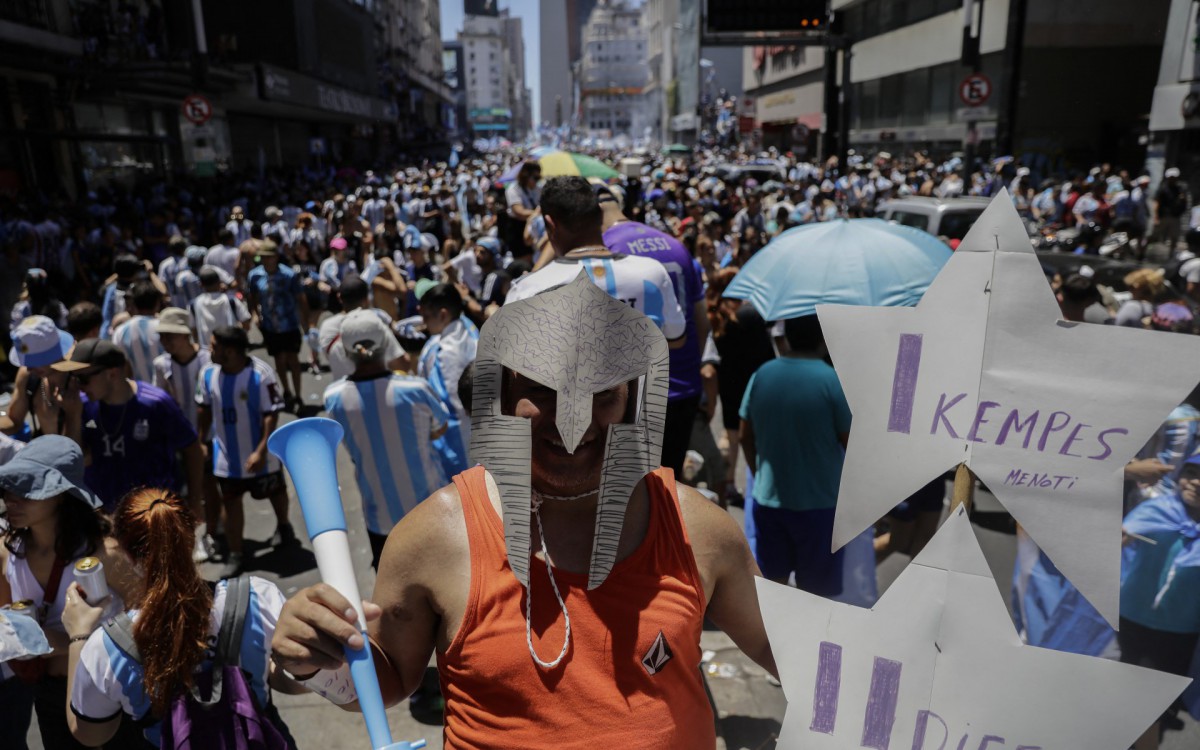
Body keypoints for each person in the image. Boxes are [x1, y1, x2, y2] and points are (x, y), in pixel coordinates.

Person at [270, 274, 774, 749]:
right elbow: (382, 681)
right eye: (543, 389)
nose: (574, 419)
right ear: (503, 396)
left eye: (601, 392)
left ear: (629, 400)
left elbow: (796, 657)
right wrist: (310, 662)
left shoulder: (696, 528)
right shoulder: (433, 537)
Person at [62, 488, 301, 748]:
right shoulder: (257, 596)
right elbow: (295, 678)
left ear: (126, 554)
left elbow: (89, 732)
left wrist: (79, 634)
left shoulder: (107, 646)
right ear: (190, 535)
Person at [0, 435, 139, 749]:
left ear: (61, 495)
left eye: (26, 489)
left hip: (116, 691)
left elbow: (151, 621)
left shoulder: (106, 554)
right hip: (49, 695)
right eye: (9, 487)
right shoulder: (6, 554)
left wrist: (63, 641)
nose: (11, 498)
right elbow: (6, 628)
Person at [323, 310, 450, 569]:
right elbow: (440, 428)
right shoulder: (415, 389)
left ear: (346, 352)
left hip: (379, 518)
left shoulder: (334, 398)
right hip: (430, 509)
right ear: (385, 342)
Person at [600, 185, 709, 476]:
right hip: (683, 384)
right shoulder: (674, 244)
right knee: (668, 486)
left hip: (634, 392)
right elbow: (701, 318)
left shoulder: (604, 248)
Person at [740, 315, 852, 595]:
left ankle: (775, 641)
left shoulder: (762, 374)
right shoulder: (832, 381)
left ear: (787, 336)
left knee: (774, 592)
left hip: (769, 501)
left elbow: (744, 435)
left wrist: (759, 474)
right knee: (815, 597)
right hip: (822, 504)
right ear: (823, 340)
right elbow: (851, 444)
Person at [505, 177, 687, 348]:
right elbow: (676, 338)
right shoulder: (651, 273)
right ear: (601, 214)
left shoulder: (528, 291)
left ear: (550, 224)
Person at [55, 339, 204, 513]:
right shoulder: (82, 406)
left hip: (153, 512)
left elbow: (192, 449)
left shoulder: (155, 403)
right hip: (105, 514)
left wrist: (194, 500)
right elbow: (72, 463)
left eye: (83, 379)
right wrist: (72, 416)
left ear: (112, 373)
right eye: (74, 379)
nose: (79, 387)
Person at [196, 326, 293, 578]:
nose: (209, 350)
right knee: (230, 501)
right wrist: (201, 440)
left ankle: (284, 527)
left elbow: (271, 413)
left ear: (230, 350)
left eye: (214, 345)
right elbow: (204, 409)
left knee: (275, 491)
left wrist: (261, 450)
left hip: (262, 456)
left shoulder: (261, 375)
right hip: (227, 458)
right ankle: (236, 553)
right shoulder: (207, 374)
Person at [1119, 453, 1200, 750]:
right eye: (1190, 471)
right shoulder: (1158, 509)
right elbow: (1122, 535)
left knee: (1158, 704)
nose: (1195, 481)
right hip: (1129, 620)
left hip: (1179, 634)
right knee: (1131, 699)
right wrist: (1121, 537)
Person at [416, 282, 477, 476]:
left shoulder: (447, 353)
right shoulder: (467, 326)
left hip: (460, 440)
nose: (424, 323)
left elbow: (454, 408)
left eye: (426, 316)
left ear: (443, 314)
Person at [246, 239, 308, 410]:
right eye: (263, 258)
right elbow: (252, 296)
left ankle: (298, 394)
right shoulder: (255, 275)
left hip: (289, 324)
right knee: (279, 359)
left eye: (270, 257)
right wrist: (255, 315)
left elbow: (301, 299)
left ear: (276, 257)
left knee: (293, 359)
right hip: (271, 326)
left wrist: (306, 322)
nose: (267, 261)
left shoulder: (289, 275)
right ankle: (286, 390)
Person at [318, 276, 405, 380]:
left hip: (343, 393)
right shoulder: (374, 322)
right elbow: (402, 363)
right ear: (367, 299)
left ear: (339, 297)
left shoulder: (326, 327)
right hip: (379, 392)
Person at [6, 315, 74, 439]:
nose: (28, 368)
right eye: (26, 362)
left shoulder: (81, 379)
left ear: (53, 354)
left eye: (34, 361)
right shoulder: (27, 376)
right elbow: (14, 421)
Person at [111, 280, 165, 384]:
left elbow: (123, 369)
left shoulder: (120, 331)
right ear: (157, 303)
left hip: (140, 393)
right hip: (167, 393)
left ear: (134, 304)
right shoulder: (165, 327)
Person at [191, 266, 252, 350]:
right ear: (219, 282)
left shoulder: (194, 304)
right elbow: (246, 324)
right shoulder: (231, 300)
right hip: (231, 349)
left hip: (207, 351)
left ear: (200, 284)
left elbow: (194, 330)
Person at [504, 161, 542, 261]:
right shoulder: (513, 189)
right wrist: (538, 213)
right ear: (526, 176)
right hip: (518, 228)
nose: (537, 181)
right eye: (535, 178)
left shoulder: (537, 189)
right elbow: (519, 212)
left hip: (533, 224)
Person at [1155, 168, 1189, 254]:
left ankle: (1171, 256)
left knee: (1174, 238)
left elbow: (1184, 202)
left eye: (1174, 177)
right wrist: (1156, 217)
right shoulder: (1163, 188)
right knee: (1154, 235)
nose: (1173, 179)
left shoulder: (1180, 189)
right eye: (1171, 177)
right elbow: (1157, 203)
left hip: (1175, 217)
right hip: (1164, 216)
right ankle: (1142, 253)